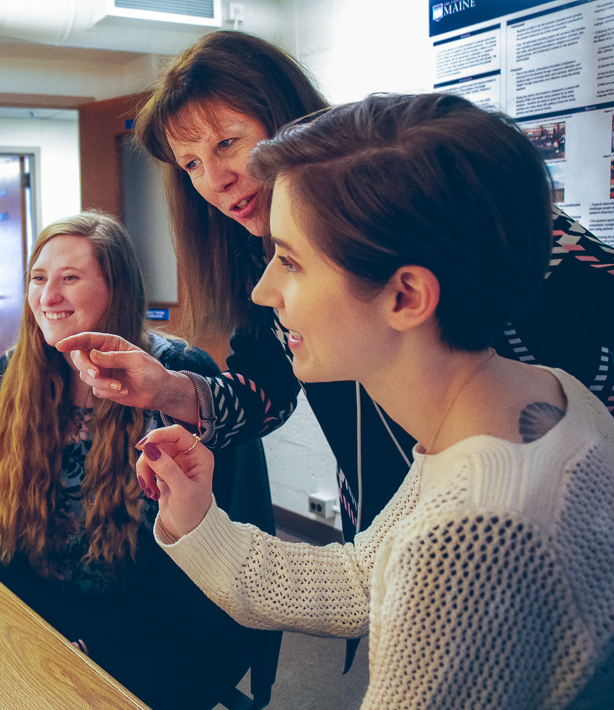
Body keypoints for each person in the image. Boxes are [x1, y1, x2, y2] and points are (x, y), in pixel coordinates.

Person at [137, 93, 614, 709]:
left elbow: (414, 567)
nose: (262, 290)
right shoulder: (547, 395)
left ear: (406, 296)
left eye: (289, 261)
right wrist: (196, 519)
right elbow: (363, 577)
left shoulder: (461, 545)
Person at [59, 28, 614, 553]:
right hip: (391, 516)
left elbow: (588, 284)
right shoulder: (253, 252)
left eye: (227, 143)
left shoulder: (416, 194)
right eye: (191, 165)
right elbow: (267, 390)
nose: (214, 180)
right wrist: (169, 389)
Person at [0, 212, 252, 710]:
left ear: (116, 287)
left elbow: (205, 547)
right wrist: (26, 627)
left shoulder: (180, 377)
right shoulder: (6, 379)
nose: (48, 297)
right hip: (46, 620)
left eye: (70, 279)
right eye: (39, 278)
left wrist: (100, 647)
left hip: (157, 627)